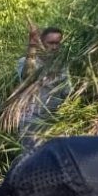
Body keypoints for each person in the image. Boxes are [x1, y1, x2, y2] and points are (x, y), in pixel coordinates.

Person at [15, 24, 70, 152]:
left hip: (54, 121)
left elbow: (67, 93)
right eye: (50, 43)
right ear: (41, 43)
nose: (54, 47)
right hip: (32, 122)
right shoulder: (26, 62)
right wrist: (32, 46)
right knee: (33, 159)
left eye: (57, 43)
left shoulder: (62, 66)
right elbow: (28, 75)